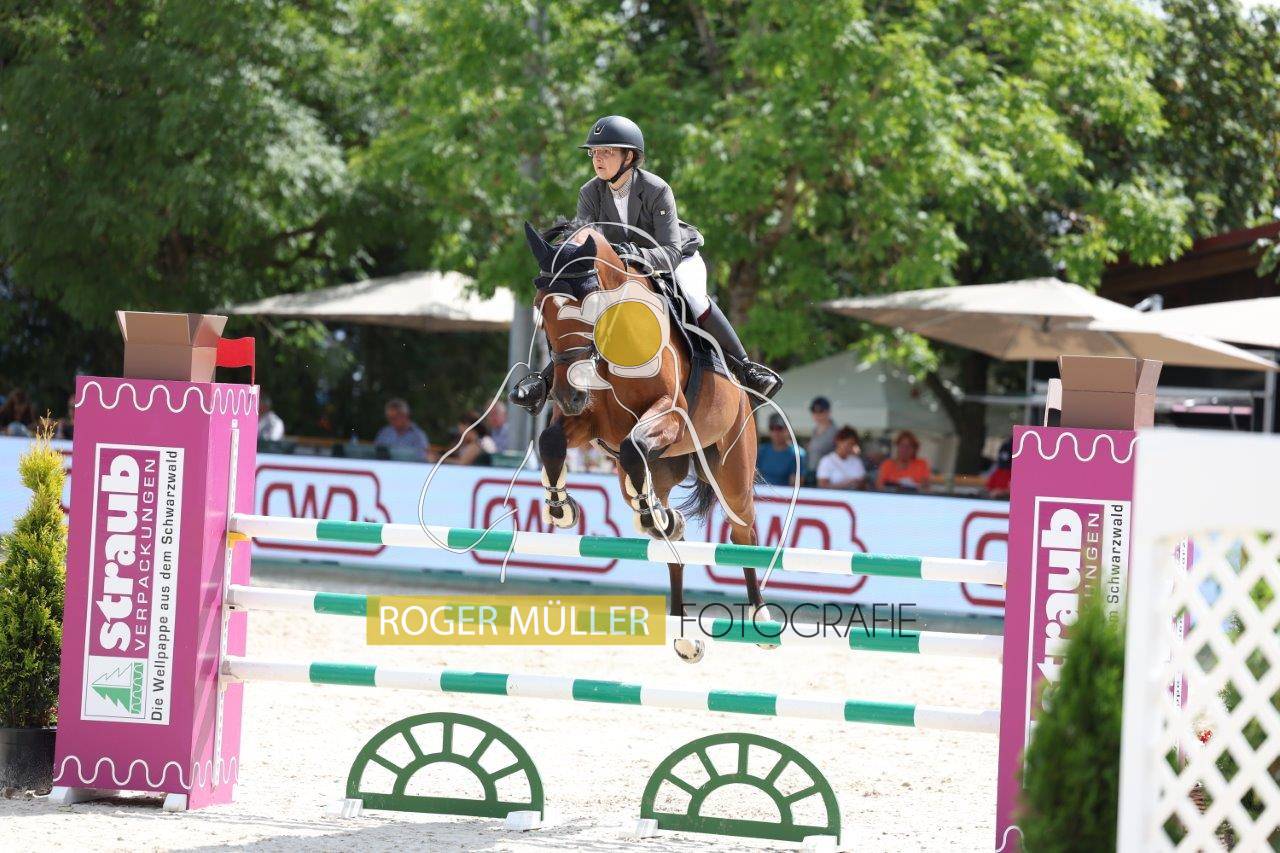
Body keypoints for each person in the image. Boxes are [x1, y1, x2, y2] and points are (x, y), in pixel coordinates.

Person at [510, 115, 782, 414]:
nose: (597, 159)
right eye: (594, 153)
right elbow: (588, 242)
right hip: (624, 268)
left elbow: (671, 251)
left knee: (694, 297)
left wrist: (635, 255)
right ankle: (545, 380)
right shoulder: (589, 192)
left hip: (674, 260)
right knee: (583, 304)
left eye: (606, 152)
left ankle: (746, 368)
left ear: (629, 157)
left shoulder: (656, 189)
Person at [757, 414, 805, 487]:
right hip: (760, 492)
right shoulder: (762, 451)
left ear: (788, 429)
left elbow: (794, 486)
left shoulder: (797, 454)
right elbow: (754, 477)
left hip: (783, 493)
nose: (776, 432)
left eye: (779, 428)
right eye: (772, 428)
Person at [816, 426, 866, 490]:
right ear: (838, 441)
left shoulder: (857, 461)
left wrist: (859, 483)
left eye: (853, 444)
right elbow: (822, 485)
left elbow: (863, 484)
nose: (850, 447)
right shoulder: (826, 461)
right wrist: (845, 484)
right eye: (848, 444)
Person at [806, 396, 837, 474]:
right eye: (814, 411)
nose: (817, 414)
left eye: (820, 411)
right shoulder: (815, 430)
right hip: (812, 472)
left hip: (827, 474)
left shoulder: (836, 432)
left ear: (828, 412)